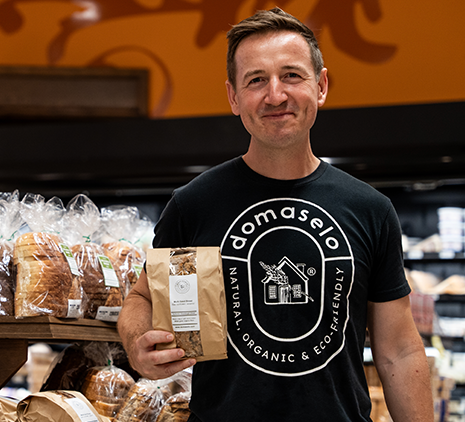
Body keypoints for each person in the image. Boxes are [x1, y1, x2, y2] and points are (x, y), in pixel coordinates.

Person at [118, 7, 434, 422]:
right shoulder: (195, 204)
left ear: (320, 86)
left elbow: (398, 350)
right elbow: (142, 297)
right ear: (234, 97)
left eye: (291, 75)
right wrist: (139, 341)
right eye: (256, 80)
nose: (275, 95)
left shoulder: (369, 209)